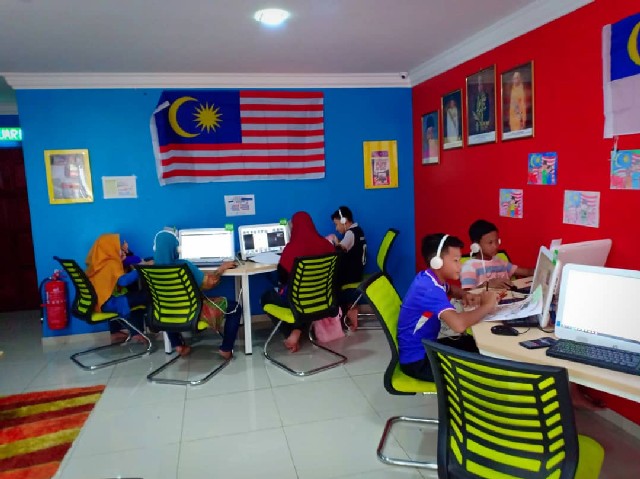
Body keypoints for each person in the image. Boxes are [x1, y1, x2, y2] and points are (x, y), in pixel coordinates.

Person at [397, 233, 498, 381]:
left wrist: (464, 294)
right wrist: (487, 306)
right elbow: (458, 325)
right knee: (482, 369)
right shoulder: (429, 289)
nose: (460, 265)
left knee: (475, 345)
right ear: (437, 262)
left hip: (426, 347)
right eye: (455, 260)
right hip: (419, 361)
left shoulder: (429, 278)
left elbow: (450, 289)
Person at [152, 229, 241, 359]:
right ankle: (226, 349)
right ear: (176, 249)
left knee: (168, 305)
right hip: (193, 312)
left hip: (166, 314)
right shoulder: (183, 265)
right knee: (235, 308)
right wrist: (222, 268)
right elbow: (210, 283)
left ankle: (178, 345)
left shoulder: (151, 268)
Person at [261, 211, 334, 352]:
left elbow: (282, 278)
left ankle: (290, 333)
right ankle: (298, 331)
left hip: (297, 301)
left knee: (266, 297)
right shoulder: (327, 245)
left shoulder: (291, 249)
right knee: (307, 297)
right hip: (323, 299)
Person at [85, 234, 149, 342]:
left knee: (132, 295)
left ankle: (116, 332)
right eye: (117, 247)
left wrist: (125, 256)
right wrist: (141, 269)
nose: (120, 249)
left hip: (99, 302)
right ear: (109, 248)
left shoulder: (98, 262)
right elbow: (123, 281)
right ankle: (141, 332)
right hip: (109, 303)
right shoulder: (111, 263)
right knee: (145, 295)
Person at [460, 219, 534, 290]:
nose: (495, 246)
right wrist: (487, 285)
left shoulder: (499, 261)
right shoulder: (469, 267)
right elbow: (467, 294)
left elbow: (526, 272)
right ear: (476, 245)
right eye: (490, 243)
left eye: (496, 241)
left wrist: (539, 271)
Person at [326, 206, 367, 331]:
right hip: (358, 271)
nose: (336, 228)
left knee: (332, 282)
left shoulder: (350, 233)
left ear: (344, 220)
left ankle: (338, 316)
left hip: (351, 274)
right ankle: (351, 308)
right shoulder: (358, 230)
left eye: (336, 224)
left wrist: (333, 241)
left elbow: (339, 250)